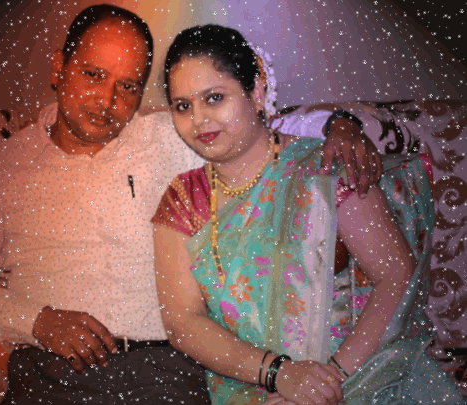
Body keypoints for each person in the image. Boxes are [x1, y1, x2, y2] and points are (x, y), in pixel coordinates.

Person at [0, 6, 381, 405]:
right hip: (51, 370)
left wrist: (341, 126)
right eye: (93, 75)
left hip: (165, 368)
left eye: (127, 86)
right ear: (59, 67)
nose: (107, 101)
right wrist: (38, 322)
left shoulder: (172, 134)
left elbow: (257, 131)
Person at [152, 24, 467, 405]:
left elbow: (396, 275)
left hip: (355, 376)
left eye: (214, 98)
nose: (199, 119)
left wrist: (327, 382)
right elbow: (183, 322)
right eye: (183, 106)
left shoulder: (327, 168)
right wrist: (278, 373)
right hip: (247, 384)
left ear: (256, 92)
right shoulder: (183, 199)